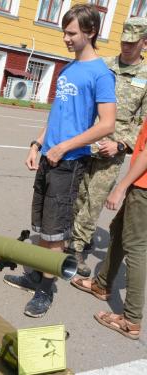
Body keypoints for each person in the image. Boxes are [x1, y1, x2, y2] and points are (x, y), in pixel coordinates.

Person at [3, 4, 116, 318]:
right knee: (40, 226)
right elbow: (57, 115)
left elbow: (106, 124)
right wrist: (37, 143)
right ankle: (37, 274)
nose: (65, 38)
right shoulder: (68, 69)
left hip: (69, 163)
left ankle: (45, 290)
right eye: (64, 32)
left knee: (55, 232)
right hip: (48, 158)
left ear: (90, 32)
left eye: (72, 33)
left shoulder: (101, 73)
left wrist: (63, 146)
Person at [67, 17, 147, 277]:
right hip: (87, 140)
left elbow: (143, 123)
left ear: (144, 43)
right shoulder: (104, 66)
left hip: (114, 148)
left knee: (94, 199)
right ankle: (75, 236)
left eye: (132, 43)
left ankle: (75, 248)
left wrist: (121, 144)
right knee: (77, 194)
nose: (126, 46)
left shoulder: (146, 77)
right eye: (124, 41)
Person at [70, 116, 147, 340]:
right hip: (141, 185)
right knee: (118, 229)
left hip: (143, 187)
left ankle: (131, 320)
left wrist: (121, 187)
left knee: (136, 247)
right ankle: (102, 285)